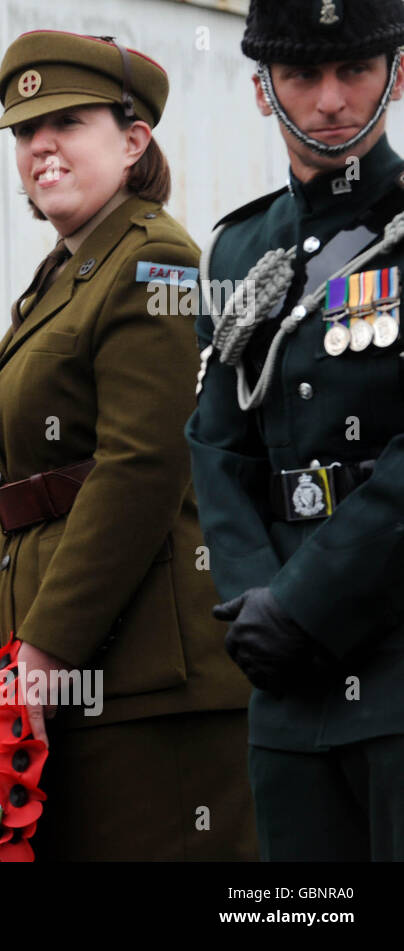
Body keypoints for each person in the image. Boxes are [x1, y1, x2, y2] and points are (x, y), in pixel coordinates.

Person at [0, 31, 256, 861]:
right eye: (22, 130)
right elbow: (29, 491)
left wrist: (44, 649)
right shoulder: (63, 272)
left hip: (147, 675)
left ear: (133, 140)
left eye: (67, 121)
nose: (40, 144)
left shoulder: (154, 259)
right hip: (63, 655)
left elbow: (139, 468)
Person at [187, 0, 404, 861]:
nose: (330, 100)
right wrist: (253, 601)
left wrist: (308, 603)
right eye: (302, 76)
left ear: (396, 73)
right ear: (260, 90)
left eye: (354, 69)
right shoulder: (240, 252)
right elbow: (215, 441)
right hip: (281, 673)